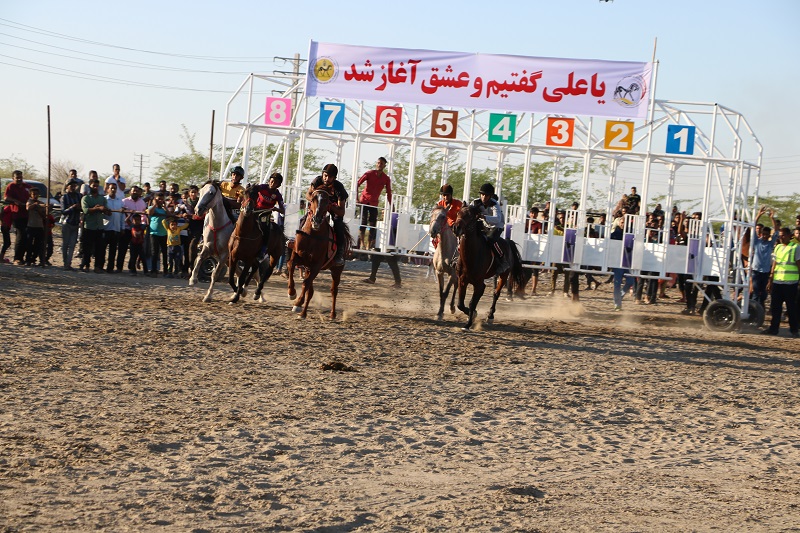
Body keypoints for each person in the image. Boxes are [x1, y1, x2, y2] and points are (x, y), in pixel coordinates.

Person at [306, 163, 348, 266]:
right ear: (322, 174)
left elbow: (341, 211)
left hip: (333, 207)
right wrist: (316, 201)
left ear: (334, 178)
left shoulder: (339, 188)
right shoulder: (317, 181)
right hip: (319, 205)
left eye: (330, 176)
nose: (327, 178)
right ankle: (297, 243)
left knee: (339, 225)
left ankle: (339, 253)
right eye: (325, 175)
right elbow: (308, 194)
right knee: (304, 219)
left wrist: (330, 206)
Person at [762, 227, 799, 337]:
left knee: (791, 307)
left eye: (783, 235)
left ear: (789, 236)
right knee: (775, 307)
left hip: (790, 283)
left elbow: (798, 263)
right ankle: (773, 329)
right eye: (780, 236)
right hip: (778, 282)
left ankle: (794, 330)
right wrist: (771, 279)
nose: (781, 238)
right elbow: (775, 263)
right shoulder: (777, 247)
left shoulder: (795, 247)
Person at [471, 182, 509, 273]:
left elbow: (497, 219)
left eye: (486, 195)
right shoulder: (475, 202)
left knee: (491, 239)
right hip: (485, 226)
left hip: (497, 226)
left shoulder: (494, 204)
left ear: (490, 196)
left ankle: (503, 260)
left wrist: (484, 217)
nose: (484, 197)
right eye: (482, 194)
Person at [356, 157, 392, 250]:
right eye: (378, 163)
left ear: (384, 165)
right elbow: (357, 183)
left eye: (382, 163)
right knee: (363, 222)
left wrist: (391, 205)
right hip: (364, 201)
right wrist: (356, 199)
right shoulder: (369, 173)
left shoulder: (386, 178)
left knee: (373, 224)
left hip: (374, 203)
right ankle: (362, 244)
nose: (379, 165)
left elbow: (389, 192)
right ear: (376, 164)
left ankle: (368, 245)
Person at [252, 172, 286, 262]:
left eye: (275, 182)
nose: (272, 183)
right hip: (254, 211)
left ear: (278, 185)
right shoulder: (262, 187)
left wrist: (276, 209)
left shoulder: (278, 195)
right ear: (269, 180)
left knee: (266, 230)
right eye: (272, 181)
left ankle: (262, 251)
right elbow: (252, 190)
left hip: (265, 215)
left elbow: (283, 210)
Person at [80, 178, 110, 273]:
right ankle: (86, 265)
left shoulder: (102, 199)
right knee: (87, 248)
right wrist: (96, 209)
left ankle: (97, 266)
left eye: (97, 186)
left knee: (99, 248)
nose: (95, 187)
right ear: (90, 186)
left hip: (99, 227)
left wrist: (105, 209)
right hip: (89, 226)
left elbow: (107, 211)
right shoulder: (86, 198)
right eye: (94, 186)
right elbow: (86, 210)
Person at [4, 170, 31, 265]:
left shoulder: (27, 186)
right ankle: (17, 258)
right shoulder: (11, 186)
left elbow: (33, 196)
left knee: (27, 237)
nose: (19, 179)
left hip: (28, 214)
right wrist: (15, 201)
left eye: (20, 177)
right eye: (17, 177)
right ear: (13, 178)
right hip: (17, 214)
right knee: (21, 235)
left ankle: (26, 258)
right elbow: (6, 198)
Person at [118, 185, 146, 273]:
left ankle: (131, 266)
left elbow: (144, 216)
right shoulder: (124, 201)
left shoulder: (142, 202)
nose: (135, 192)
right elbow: (121, 214)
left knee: (135, 250)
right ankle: (119, 268)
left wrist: (142, 227)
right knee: (122, 249)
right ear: (130, 192)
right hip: (126, 228)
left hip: (137, 229)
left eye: (137, 191)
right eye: (133, 191)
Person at [59, 177, 83, 270]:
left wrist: (78, 208)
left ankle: (68, 263)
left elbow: (82, 208)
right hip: (67, 223)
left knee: (72, 245)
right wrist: (73, 207)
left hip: (76, 223)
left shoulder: (79, 196)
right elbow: (63, 211)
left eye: (74, 186)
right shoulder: (64, 197)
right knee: (65, 244)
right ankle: (65, 262)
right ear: (67, 187)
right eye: (71, 186)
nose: (73, 188)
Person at [147, 192, 170, 277]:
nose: (160, 200)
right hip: (154, 233)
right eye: (158, 199)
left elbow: (169, 215)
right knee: (154, 252)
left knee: (164, 252)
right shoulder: (152, 208)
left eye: (161, 199)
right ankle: (153, 270)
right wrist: (154, 205)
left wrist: (165, 207)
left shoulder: (163, 210)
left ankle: (165, 270)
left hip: (164, 233)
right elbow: (149, 213)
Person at [103, 183, 124, 273]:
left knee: (113, 250)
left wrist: (122, 227)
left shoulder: (119, 201)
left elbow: (122, 216)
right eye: (111, 188)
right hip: (105, 228)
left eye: (115, 188)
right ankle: (100, 266)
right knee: (102, 249)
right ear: (108, 189)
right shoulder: (104, 200)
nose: (113, 190)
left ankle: (110, 268)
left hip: (116, 228)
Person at [24, 188, 47, 266]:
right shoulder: (29, 202)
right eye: (34, 194)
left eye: (37, 194)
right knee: (29, 244)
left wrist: (41, 209)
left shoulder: (41, 203)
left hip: (39, 226)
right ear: (31, 195)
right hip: (31, 226)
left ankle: (33, 258)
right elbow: (28, 208)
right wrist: (35, 205)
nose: (35, 196)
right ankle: (28, 259)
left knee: (38, 244)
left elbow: (44, 215)